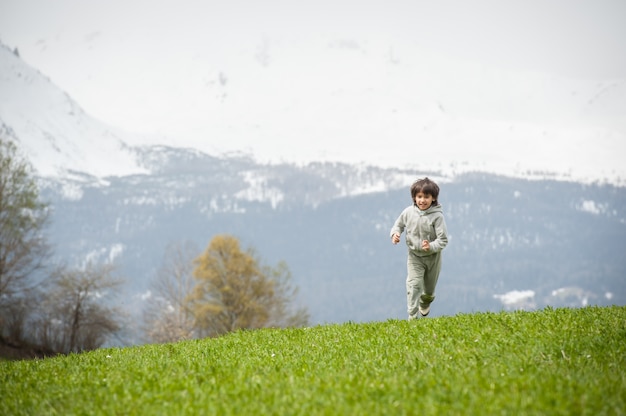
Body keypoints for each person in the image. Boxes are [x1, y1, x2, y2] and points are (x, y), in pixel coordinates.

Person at [390, 177, 448, 320]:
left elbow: (443, 240)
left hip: (433, 258)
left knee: (428, 291)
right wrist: (395, 234)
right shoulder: (408, 212)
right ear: (414, 198)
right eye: (419, 197)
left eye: (426, 197)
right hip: (414, 256)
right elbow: (398, 225)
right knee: (414, 284)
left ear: (433, 198)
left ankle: (425, 302)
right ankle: (412, 317)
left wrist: (431, 246)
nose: (422, 200)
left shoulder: (437, 217)